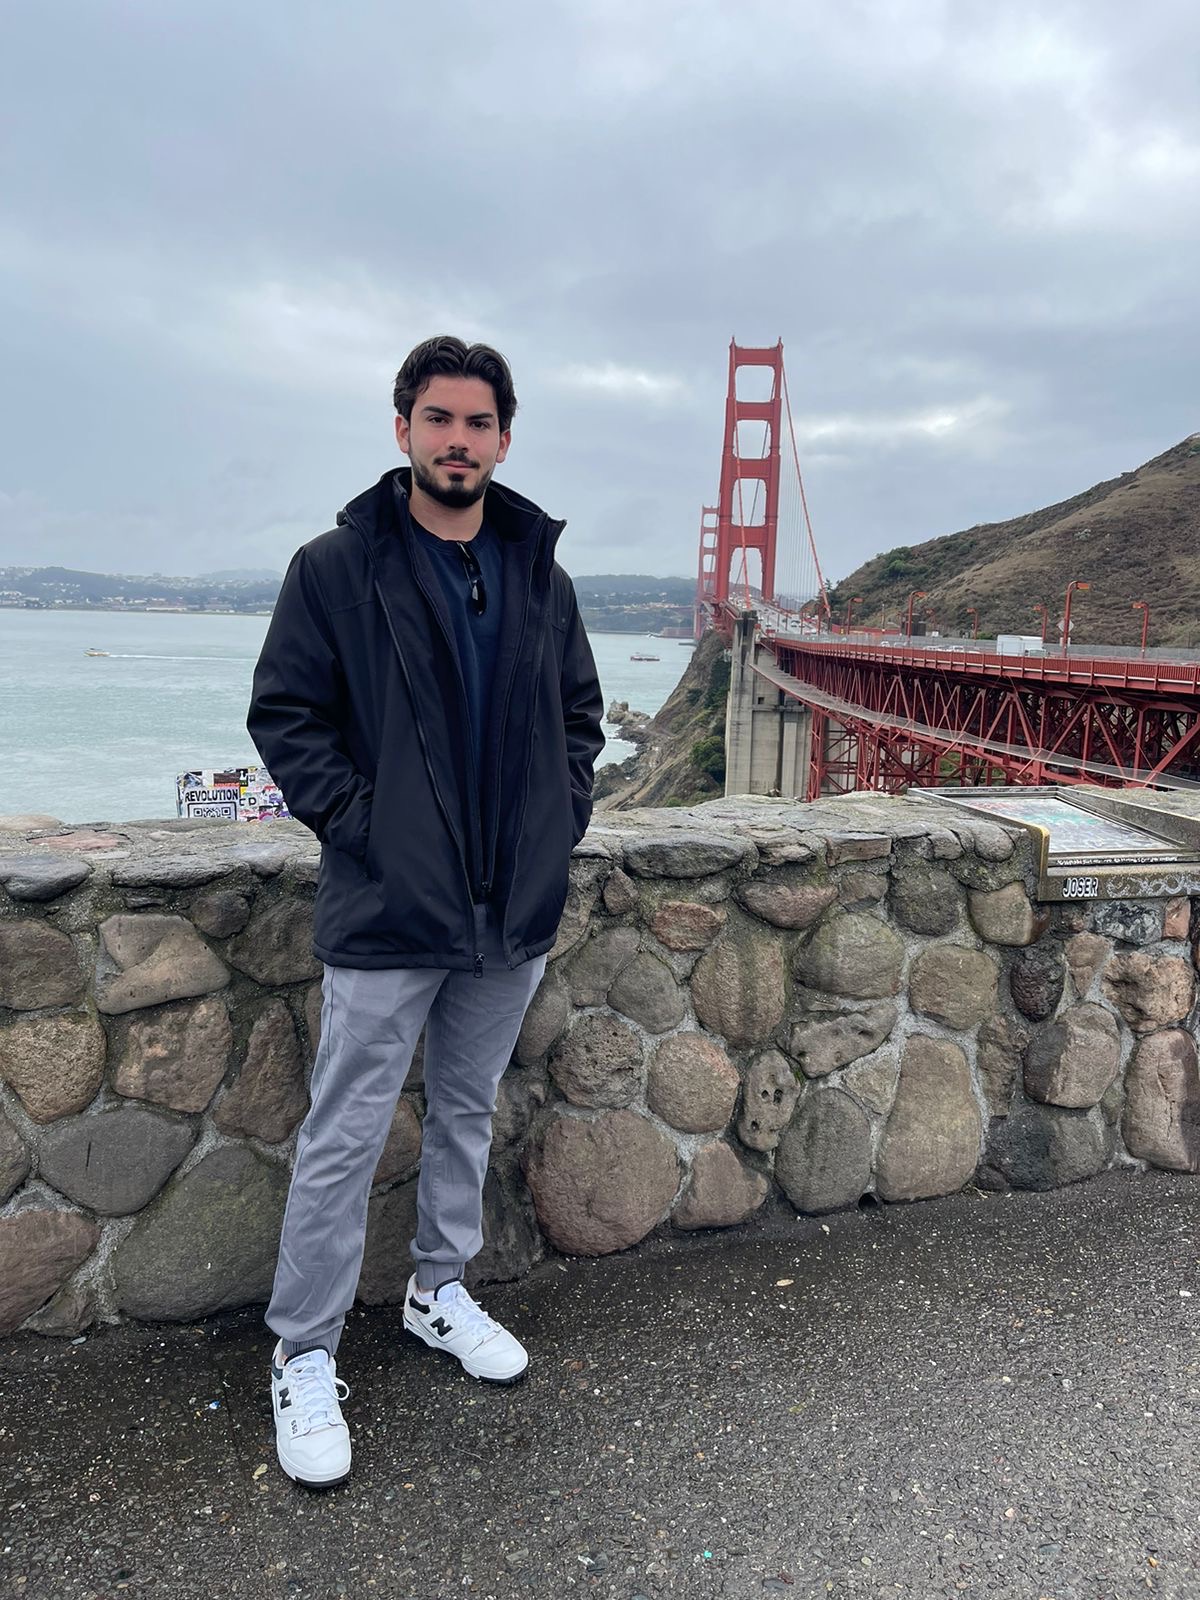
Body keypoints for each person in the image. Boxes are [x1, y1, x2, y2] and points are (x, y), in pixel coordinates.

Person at [246, 335, 605, 1489]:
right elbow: (287, 718)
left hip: (511, 912)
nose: (458, 440)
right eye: (437, 418)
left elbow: (578, 721)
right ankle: (304, 1353)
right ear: (402, 427)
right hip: (391, 908)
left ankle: (436, 1290)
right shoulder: (336, 568)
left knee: (464, 1110)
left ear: (505, 438)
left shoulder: (538, 573)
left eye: (478, 423)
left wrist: (559, 823)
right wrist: (372, 832)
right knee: (344, 1133)